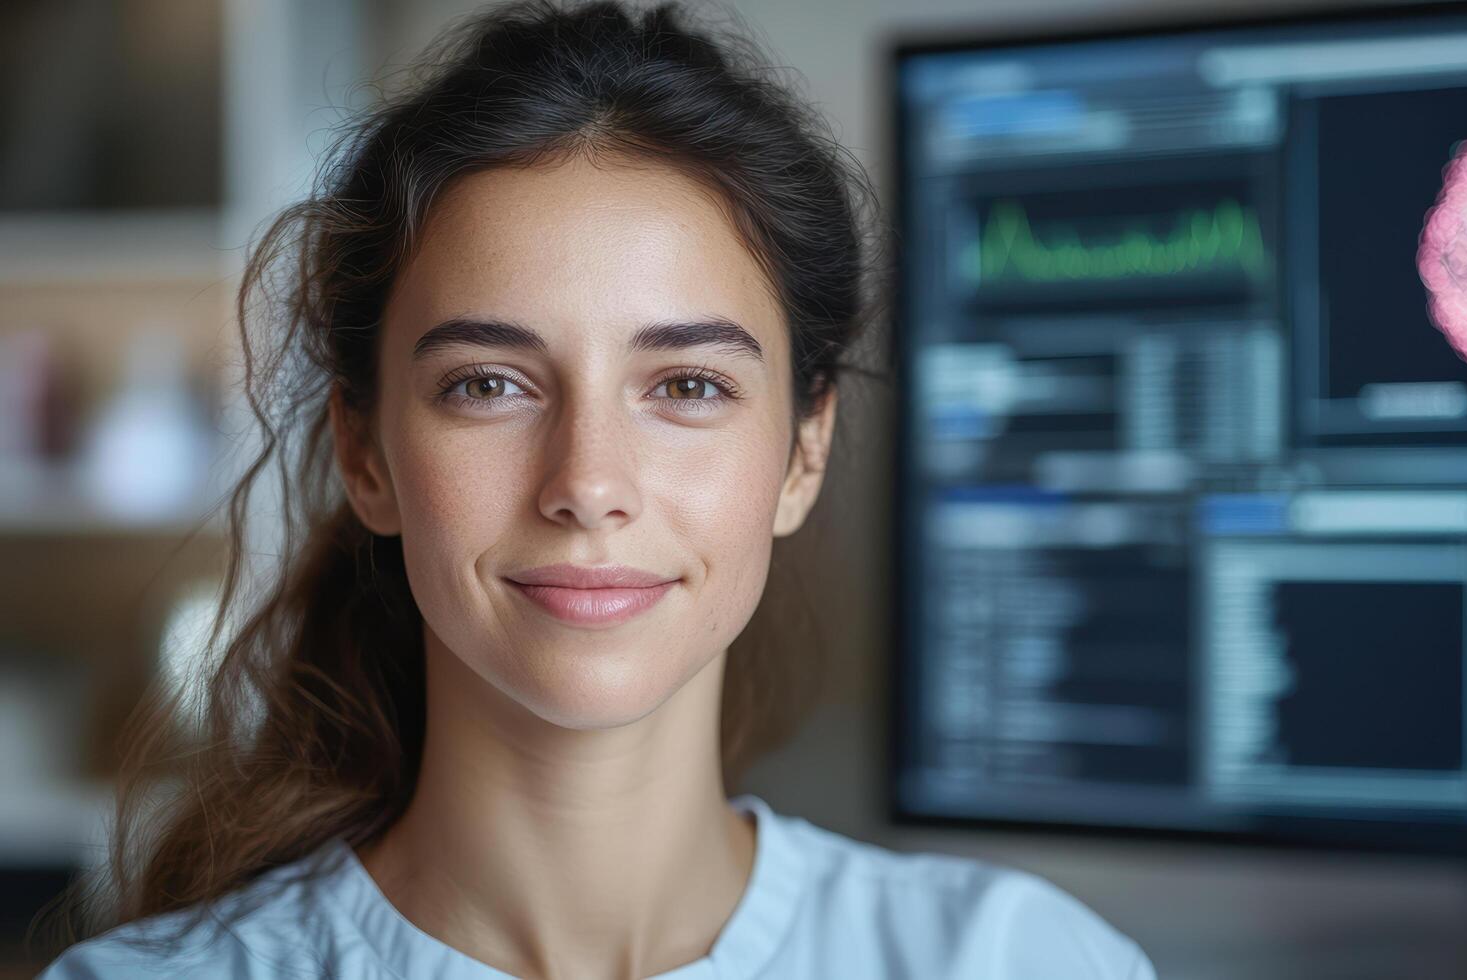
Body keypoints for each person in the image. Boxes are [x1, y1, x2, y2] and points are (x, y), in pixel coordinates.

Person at [35, 1, 1156, 977]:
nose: (587, 484)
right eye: (488, 383)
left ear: (804, 452)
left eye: (686, 384)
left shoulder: (1026, 961)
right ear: (366, 453)